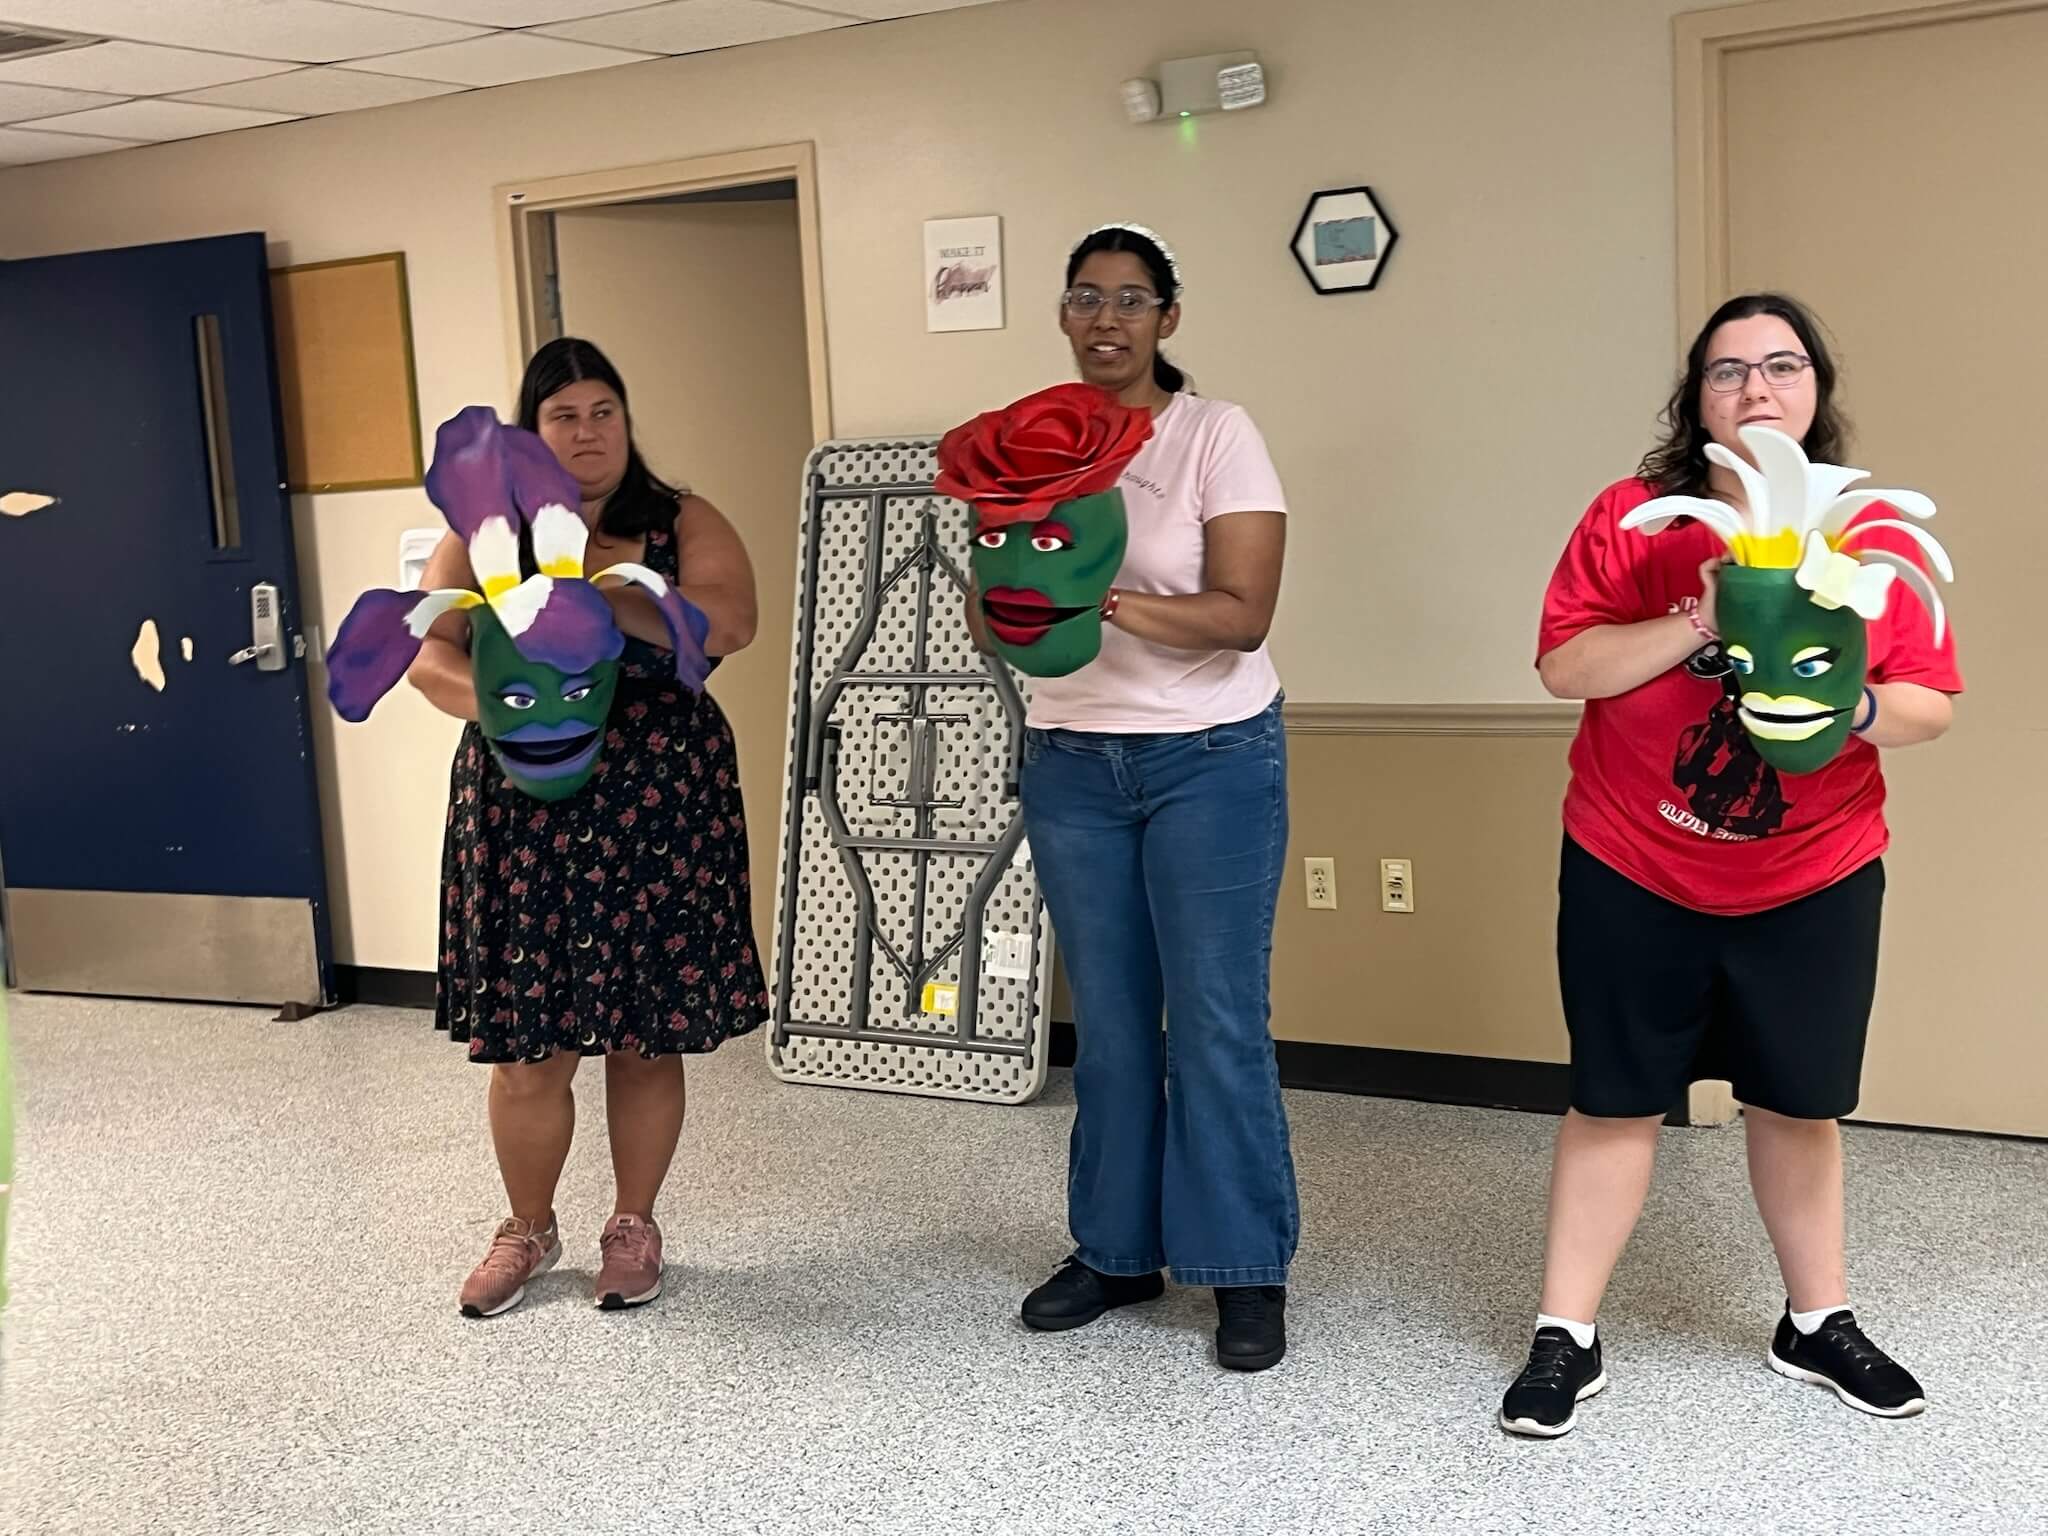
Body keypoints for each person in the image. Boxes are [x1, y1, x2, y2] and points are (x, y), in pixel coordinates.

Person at [1505, 293, 1962, 1436]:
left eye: (1780, 365)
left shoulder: (1866, 540)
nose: (1755, 388)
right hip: (1629, 859)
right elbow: (1564, 666)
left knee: (1796, 1104)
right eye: (1726, 371)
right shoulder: (1633, 518)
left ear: (1814, 392)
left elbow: (1926, 705)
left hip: (1812, 873)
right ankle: (1565, 1334)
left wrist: (1841, 700)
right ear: (1693, 397)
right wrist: (1699, 623)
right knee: (1611, 1102)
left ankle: (1814, 1322)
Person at [967, 224, 1297, 1371]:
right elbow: (993, 610)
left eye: (1129, 299)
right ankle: (1114, 1252)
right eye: (1084, 298)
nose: (1105, 319)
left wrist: (1093, 598)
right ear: (1062, 315)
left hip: (1208, 757)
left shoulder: (1215, 434)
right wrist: (1026, 598)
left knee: (1210, 1022)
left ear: (1167, 317)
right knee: (1106, 1027)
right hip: (1070, 764)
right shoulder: (1025, 448)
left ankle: (1243, 1268)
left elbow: (1239, 614)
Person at [409, 337, 769, 1318]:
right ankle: (526, 1228)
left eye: (602, 410)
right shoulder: (482, 533)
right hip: (524, 816)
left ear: (625, 420)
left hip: (660, 811)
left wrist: (613, 597)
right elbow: (426, 655)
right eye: (562, 415)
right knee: (531, 1046)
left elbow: (730, 623)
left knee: (645, 1039)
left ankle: (633, 1226)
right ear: (533, 434)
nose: (586, 431)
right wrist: (501, 706)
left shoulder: (677, 521)